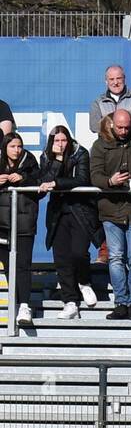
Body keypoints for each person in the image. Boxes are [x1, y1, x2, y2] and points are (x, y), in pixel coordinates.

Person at [90, 108, 131, 320]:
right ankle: (120, 302)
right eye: (120, 127)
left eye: (127, 127)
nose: (124, 131)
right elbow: (94, 175)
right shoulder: (100, 144)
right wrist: (110, 182)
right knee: (116, 257)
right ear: (111, 124)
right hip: (111, 209)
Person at [36, 125, 98, 320]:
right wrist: (57, 161)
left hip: (80, 210)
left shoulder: (81, 153)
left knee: (78, 252)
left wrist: (56, 183)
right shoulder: (46, 157)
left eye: (64, 141)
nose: (61, 145)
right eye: (56, 141)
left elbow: (82, 179)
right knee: (61, 258)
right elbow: (43, 180)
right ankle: (70, 302)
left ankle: (84, 282)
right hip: (57, 213)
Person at [0, 130, 42, 324]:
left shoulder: (30, 162)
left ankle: (25, 306)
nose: (16, 150)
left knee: (23, 266)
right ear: (5, 148)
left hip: (24, 223)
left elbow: (40, 186)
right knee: (8, 266)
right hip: (2, 225)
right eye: (12, 146)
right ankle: (14, 304)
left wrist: (24, 179)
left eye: (19, 146)